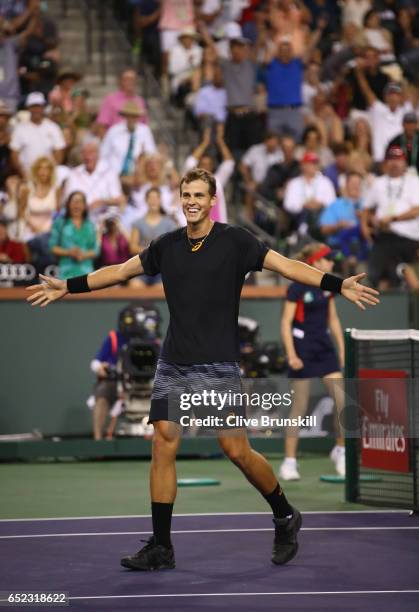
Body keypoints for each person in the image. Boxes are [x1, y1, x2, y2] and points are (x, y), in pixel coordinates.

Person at [27, 168, 379, 571]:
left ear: (212, 200)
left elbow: (287, 266)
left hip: (218, 362)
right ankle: (161, 545)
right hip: (174, 360)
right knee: (162, 442)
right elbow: (120, 271)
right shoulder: (166, 246)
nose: (191, 200)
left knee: (237, 451)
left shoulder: (236, 241)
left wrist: (338, 285)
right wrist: (66, 286)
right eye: (186, 194)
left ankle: (284, 514)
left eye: (199, 194)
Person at [279, 242, 347, 480]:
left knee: (341, 400)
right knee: (299, 406)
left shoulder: (328, 285)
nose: (331, 263)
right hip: (302, 350)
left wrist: (341, 348)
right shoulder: (297, 287)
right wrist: (292, 355)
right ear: (315, 261)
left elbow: (334, 320)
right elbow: (286, 322)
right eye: (328, 259)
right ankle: (289, 463)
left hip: (324, 350)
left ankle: (340, 450)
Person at [360, 145, 419, 288]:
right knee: (375, 275)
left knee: (402, 276)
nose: (394, 163)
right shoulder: (378, 183)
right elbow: (366, 208)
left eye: (398, 159)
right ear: (386, 163)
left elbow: (416, 210)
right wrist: (364, 228)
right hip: (384, 236)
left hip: (409, 238)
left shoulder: (414, 181)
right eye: (391, 159)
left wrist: (392, 219)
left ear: (404, 163)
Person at [10, 92, 66, 178]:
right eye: (33, 106)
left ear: (43, 107)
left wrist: (50, 173)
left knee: (64, 171)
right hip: (26, 173)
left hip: (48, 175)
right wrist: (23, 174)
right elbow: (14, 154)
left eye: (39, 106)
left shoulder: (53, 127)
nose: (36, 110)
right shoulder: (20, 128)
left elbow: (59, 152)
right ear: (28, 108)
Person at [100, 100, 156, 181]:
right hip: (115, 176)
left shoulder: (145, 131)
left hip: (137, 177)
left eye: (134, 116)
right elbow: (103, 155)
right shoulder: (114, 131)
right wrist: (107, 174)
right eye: (129, 115)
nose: (131, 118)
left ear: (138, 117)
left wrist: (143, 157)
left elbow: (152, 153)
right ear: (125, 116)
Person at [48, 190, 98, 280]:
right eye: (74, 201)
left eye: (80, 202)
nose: (77, 205)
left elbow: (96, 250)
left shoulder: (90, 225)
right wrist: (69, 252)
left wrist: (82, 255)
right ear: (68, 204)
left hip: (87, 273)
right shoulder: (59, 223)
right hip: (66, 272)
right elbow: (52, 247)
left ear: (85, 206)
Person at [96, 68, 148, 136]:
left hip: (136, 141)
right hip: (116, 141)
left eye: (133, 79)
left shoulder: (140, 101)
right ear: (120, 81)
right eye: (127, 79)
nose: (130, 82)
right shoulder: (110, 99)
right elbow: (101, 126)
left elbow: (144, 125)